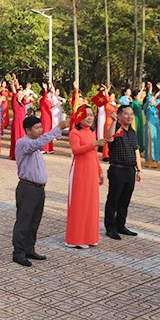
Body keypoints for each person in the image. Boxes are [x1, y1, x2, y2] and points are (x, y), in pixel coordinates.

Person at [12, 115, 69, 266]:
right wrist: (58, 128)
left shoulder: (35, 144)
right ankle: (18, 253)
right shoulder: (24, 143)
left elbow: (39, 142)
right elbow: (39, 143)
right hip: (27, 188)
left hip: (38, 189)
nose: (40, 130)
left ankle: (29, 249)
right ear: (27, 130)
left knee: (34, 221)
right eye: (36, 128)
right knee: (23, 222)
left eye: (41, 127)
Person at [65, 106, 105, 248]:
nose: (90, 118)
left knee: (91, 204)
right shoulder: (74, 132)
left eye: (91, 115)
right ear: (80, 117)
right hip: (80, 172)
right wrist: (94, 144)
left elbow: (94, 154)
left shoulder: (92, 132)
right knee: (79, 204)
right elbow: (76, 150)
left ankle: (90, 237)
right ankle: (75, 239)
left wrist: (100, 171)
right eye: (86, 115)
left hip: (92, 171)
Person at [104, 105, 143, 240]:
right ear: (119, 115)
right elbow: (108, 138)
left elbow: (136, 150)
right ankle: (110, 228)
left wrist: (139, 170)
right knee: (113, 200)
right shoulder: (116, 128)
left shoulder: (132, 132)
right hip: (117, 169)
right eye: (126, 114)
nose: (129, 117)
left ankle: (120, 225)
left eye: (131, 114)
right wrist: (113, 121)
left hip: (130, 170)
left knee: (125, 200)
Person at [143, 82, 160, 168]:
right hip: (150, 126)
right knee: (150, 142)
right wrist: (150, 89)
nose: (154, 100)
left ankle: (155, 160)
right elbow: (149, 99)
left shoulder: (154, 106)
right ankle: (149, 161)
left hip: (156, 125)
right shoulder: (146, 107)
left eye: (154, 99)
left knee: (156, 141)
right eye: (152, 99)